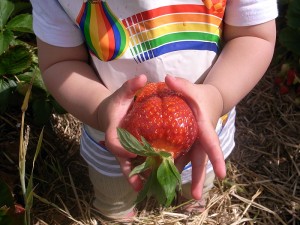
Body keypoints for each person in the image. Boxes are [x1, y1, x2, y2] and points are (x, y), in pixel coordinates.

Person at [30, 0, 278, 221]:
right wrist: (99, 110)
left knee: (199, 180)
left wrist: (219, 94)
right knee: (114, 193)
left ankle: (193, 202)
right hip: (111, 132)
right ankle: (118, 213)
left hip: (207, 124)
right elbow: (60, 61)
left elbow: (253, 35)